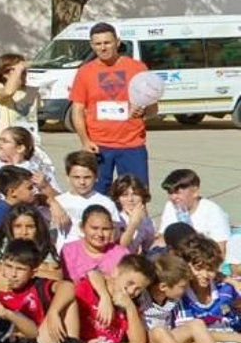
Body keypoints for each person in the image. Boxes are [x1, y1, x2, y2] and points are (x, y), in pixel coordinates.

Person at [69, 23, 155, 193]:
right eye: (98, 44)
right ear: (92, 45)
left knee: (136, 196)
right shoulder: (85, 72)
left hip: (132, 145)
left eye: (107, 42)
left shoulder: (137, 68)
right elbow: (77, 110)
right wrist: (85, 141)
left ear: (117, 42)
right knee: (95, 196)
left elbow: (154, 108)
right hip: (99, 146)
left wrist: (144, 111)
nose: (103, 48)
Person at [75, 254, 168, 343]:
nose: (132, 291)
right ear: (116, 272)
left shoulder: (130, 303)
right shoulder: (87, 289)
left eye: (138, 289)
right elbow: (69, 325)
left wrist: (130, 307)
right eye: (130, 283)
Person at [159, 169, 232, 254]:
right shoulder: (171, 206)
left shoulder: (213, 212)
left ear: (195, 192)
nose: (173, 197)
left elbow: (220, 250)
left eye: (178, 193)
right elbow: (163, 237)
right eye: (170, 193)